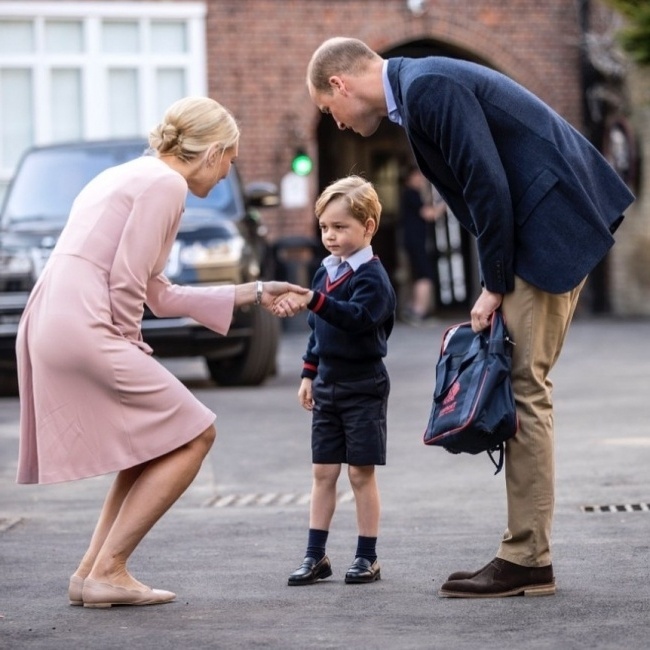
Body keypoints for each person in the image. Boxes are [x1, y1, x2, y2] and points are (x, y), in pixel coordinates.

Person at [306, 37, 635, 598]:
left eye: (326, 109)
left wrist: (494, 282)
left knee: (525, 387)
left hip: (546, 231)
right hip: (541, 228)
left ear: (340, 84)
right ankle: (526, 554)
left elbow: (487, 183)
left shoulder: (427, 87)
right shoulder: (417, 91)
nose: (333, 123)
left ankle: (528, 558)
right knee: (525, 384)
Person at [15, 96, 307, 608]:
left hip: (54, 319)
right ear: (212, 152)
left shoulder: (130, 175)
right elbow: (129, 282)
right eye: (231, 163)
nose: (224, 177)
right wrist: (131, 345)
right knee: (196, 433)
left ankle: (91, 572)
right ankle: (109, 568)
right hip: (87, 325)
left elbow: (160, 291)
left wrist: (257, 291)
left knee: (148, 444)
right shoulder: (166, 185)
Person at [275, 176, 396, 586]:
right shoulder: (325, 273)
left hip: (364, 385)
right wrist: (309, 374)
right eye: (324, 226)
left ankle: (367, 557)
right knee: (323, 473)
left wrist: (315, 301)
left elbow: (356, 319)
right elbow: (318, 330)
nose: (330, 235)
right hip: (327, 385)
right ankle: (315, 556)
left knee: (360, 474)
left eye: (340, 227)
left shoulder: (373, 279)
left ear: (368, 227)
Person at [399, 165, 445, 324]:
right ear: (410, 178)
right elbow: (429, 214)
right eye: (418, 176)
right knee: (425, 274)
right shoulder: (411, 193)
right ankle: (418, 311)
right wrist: (446, 203)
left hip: (414, 241)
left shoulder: (411, 194)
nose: (422, 180)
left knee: (421, 274)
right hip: (416, 241)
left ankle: (416, 309)